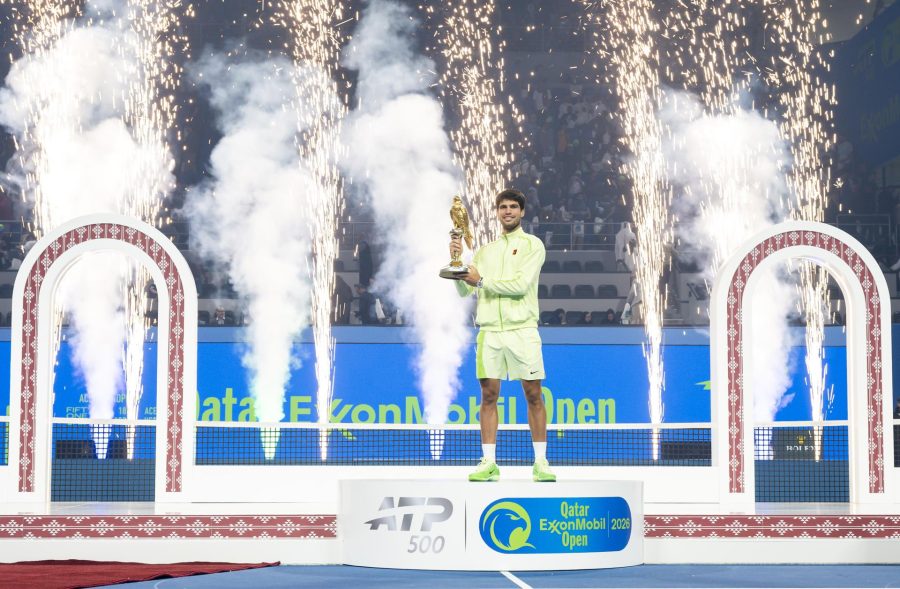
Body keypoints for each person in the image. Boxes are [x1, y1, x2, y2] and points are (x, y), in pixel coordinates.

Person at [451, 188, 556, 483]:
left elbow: (521, 286)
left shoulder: (533, 245)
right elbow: (464, 291)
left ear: (522, 212)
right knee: (488, 396)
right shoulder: (485, 252)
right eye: (502, 207)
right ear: (497, 213)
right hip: (489, 333)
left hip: (523, 330)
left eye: (512, 207)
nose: (507, 211)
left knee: (533, 394)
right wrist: (457, 262)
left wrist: (481, 281)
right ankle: (489, 462)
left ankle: (541, 462)